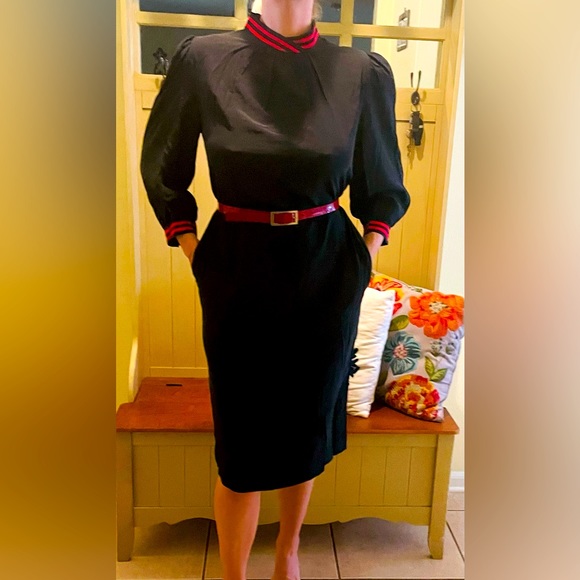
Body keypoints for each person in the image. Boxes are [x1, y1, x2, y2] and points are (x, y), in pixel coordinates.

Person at [140, 0, 410, 578]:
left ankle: (287, 554)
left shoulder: (359, 73)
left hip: (326, 272)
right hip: (237, 270)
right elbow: (163, 164)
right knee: (241, 443)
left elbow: (382, 180)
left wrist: (363, 258)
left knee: (306, 427)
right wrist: (195, 251)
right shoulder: (204, 59)